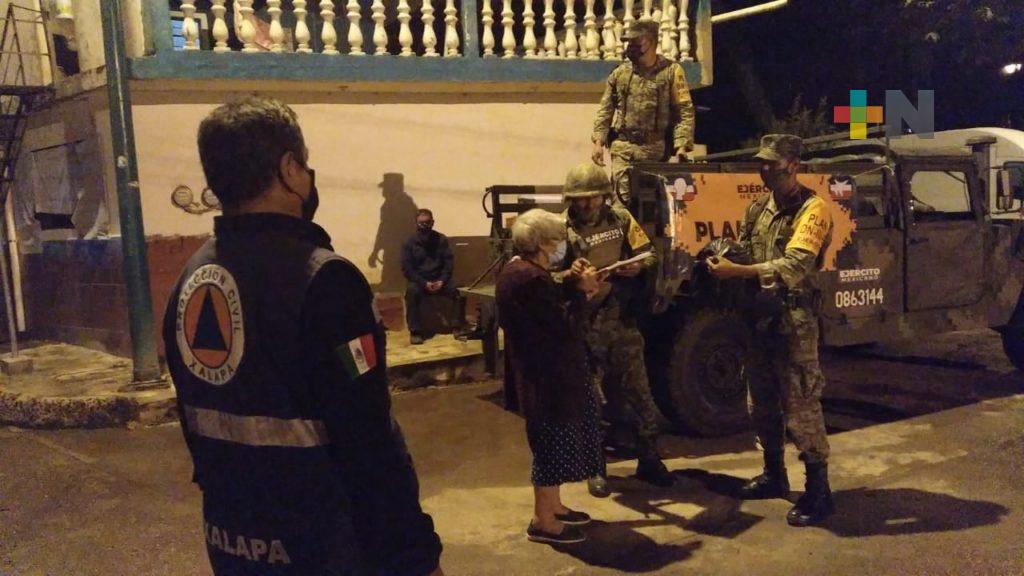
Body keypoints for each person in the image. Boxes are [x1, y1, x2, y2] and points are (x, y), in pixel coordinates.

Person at [163, 96, 444, 575]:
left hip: (232, 539)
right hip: (323, 542)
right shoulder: (327, 281)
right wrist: (416, 555)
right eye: (305, 166)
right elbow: (367, 440)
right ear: (289, 169)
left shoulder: (192, 276)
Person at [707, 134, 836, 527]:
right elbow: (748, 249)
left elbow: (795, 265)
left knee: (801, 405)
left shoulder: (813, 209)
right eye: (761, 163)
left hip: (794, 321)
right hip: (759, 318)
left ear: (793, 165)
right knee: (761, 402)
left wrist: (738, 270)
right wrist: (724, 256)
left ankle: (819, 491)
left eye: (771, 164)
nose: (763, 170)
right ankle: (773, 474)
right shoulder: (758, 208)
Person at [558, 162, 676, 497]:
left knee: (639, 392)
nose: (587, 204)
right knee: (590, 401)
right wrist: (570, 275)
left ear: (604, 196)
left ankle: (649, 459)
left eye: (593, 197)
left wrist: (636, 266)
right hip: (583, 327)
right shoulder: (559, 229)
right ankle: (595, 468)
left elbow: (650, 254)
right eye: (580, 199)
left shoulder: (621, 219)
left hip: (622, 320)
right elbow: (545, 276)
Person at [496, 209, 605, 545]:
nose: (561, 245)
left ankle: (553, 507)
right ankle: (543, 521)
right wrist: (585, 292)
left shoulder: (518, 270)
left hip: (541, 374)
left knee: (554, 444)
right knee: (550, 447)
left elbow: (549, 300)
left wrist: (570, 279)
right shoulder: (530, 279)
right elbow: (563, 327)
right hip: (547, 379)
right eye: (557, 239)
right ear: (542, 243)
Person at [591, 19, 696, 204]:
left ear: (651, 42)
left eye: (636, 41)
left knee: (656, 205)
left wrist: (681, 146)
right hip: (624, 148)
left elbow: (684, 111)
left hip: (655, 151)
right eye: (629, 42)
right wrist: (598, 142)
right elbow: (606, 109)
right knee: (621, 202)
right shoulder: (620, 73)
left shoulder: (671, 72)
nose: (631, 46)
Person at [401, 209, 464, 344]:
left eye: (427, 223)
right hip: (420, 281)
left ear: (433, 222)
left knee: (459, 291)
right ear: (416, 223)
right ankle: (415, 331)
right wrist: (423, 283)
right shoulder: (409, 243)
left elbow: (448, 263)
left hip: (440, 279)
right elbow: (407, 269)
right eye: (421, 223)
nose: (424, 226)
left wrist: (442, 280)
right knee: (411, 292)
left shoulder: (441, 240)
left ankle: (457, 326)